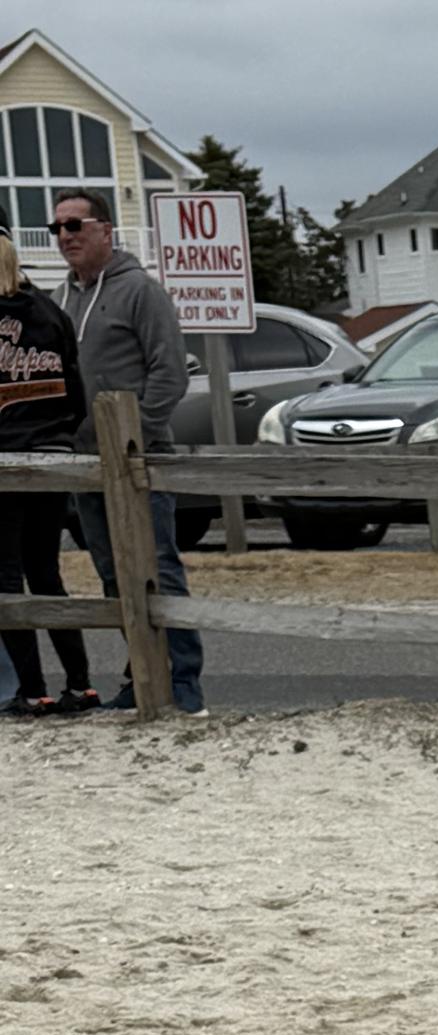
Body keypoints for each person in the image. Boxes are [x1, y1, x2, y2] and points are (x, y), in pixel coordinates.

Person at [50, 189, 202, 713]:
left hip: (139, 462)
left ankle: (183, 684)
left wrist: (134, 438)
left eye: (75, 225)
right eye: (57, 228)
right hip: (86, 466)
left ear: (105, 230)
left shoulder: (141, 291)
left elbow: (170, 372)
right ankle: (143, 675)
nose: (65, 236)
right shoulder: (60, 298)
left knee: (157, 568)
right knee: (114, 573)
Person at [0, 229, 97, 715]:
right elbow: (76, 391)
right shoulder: (50, 311)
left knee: (5, 576)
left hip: (6, 462)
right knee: (45, 571)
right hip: (54, 455)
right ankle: (80, 684)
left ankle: (31, 688)